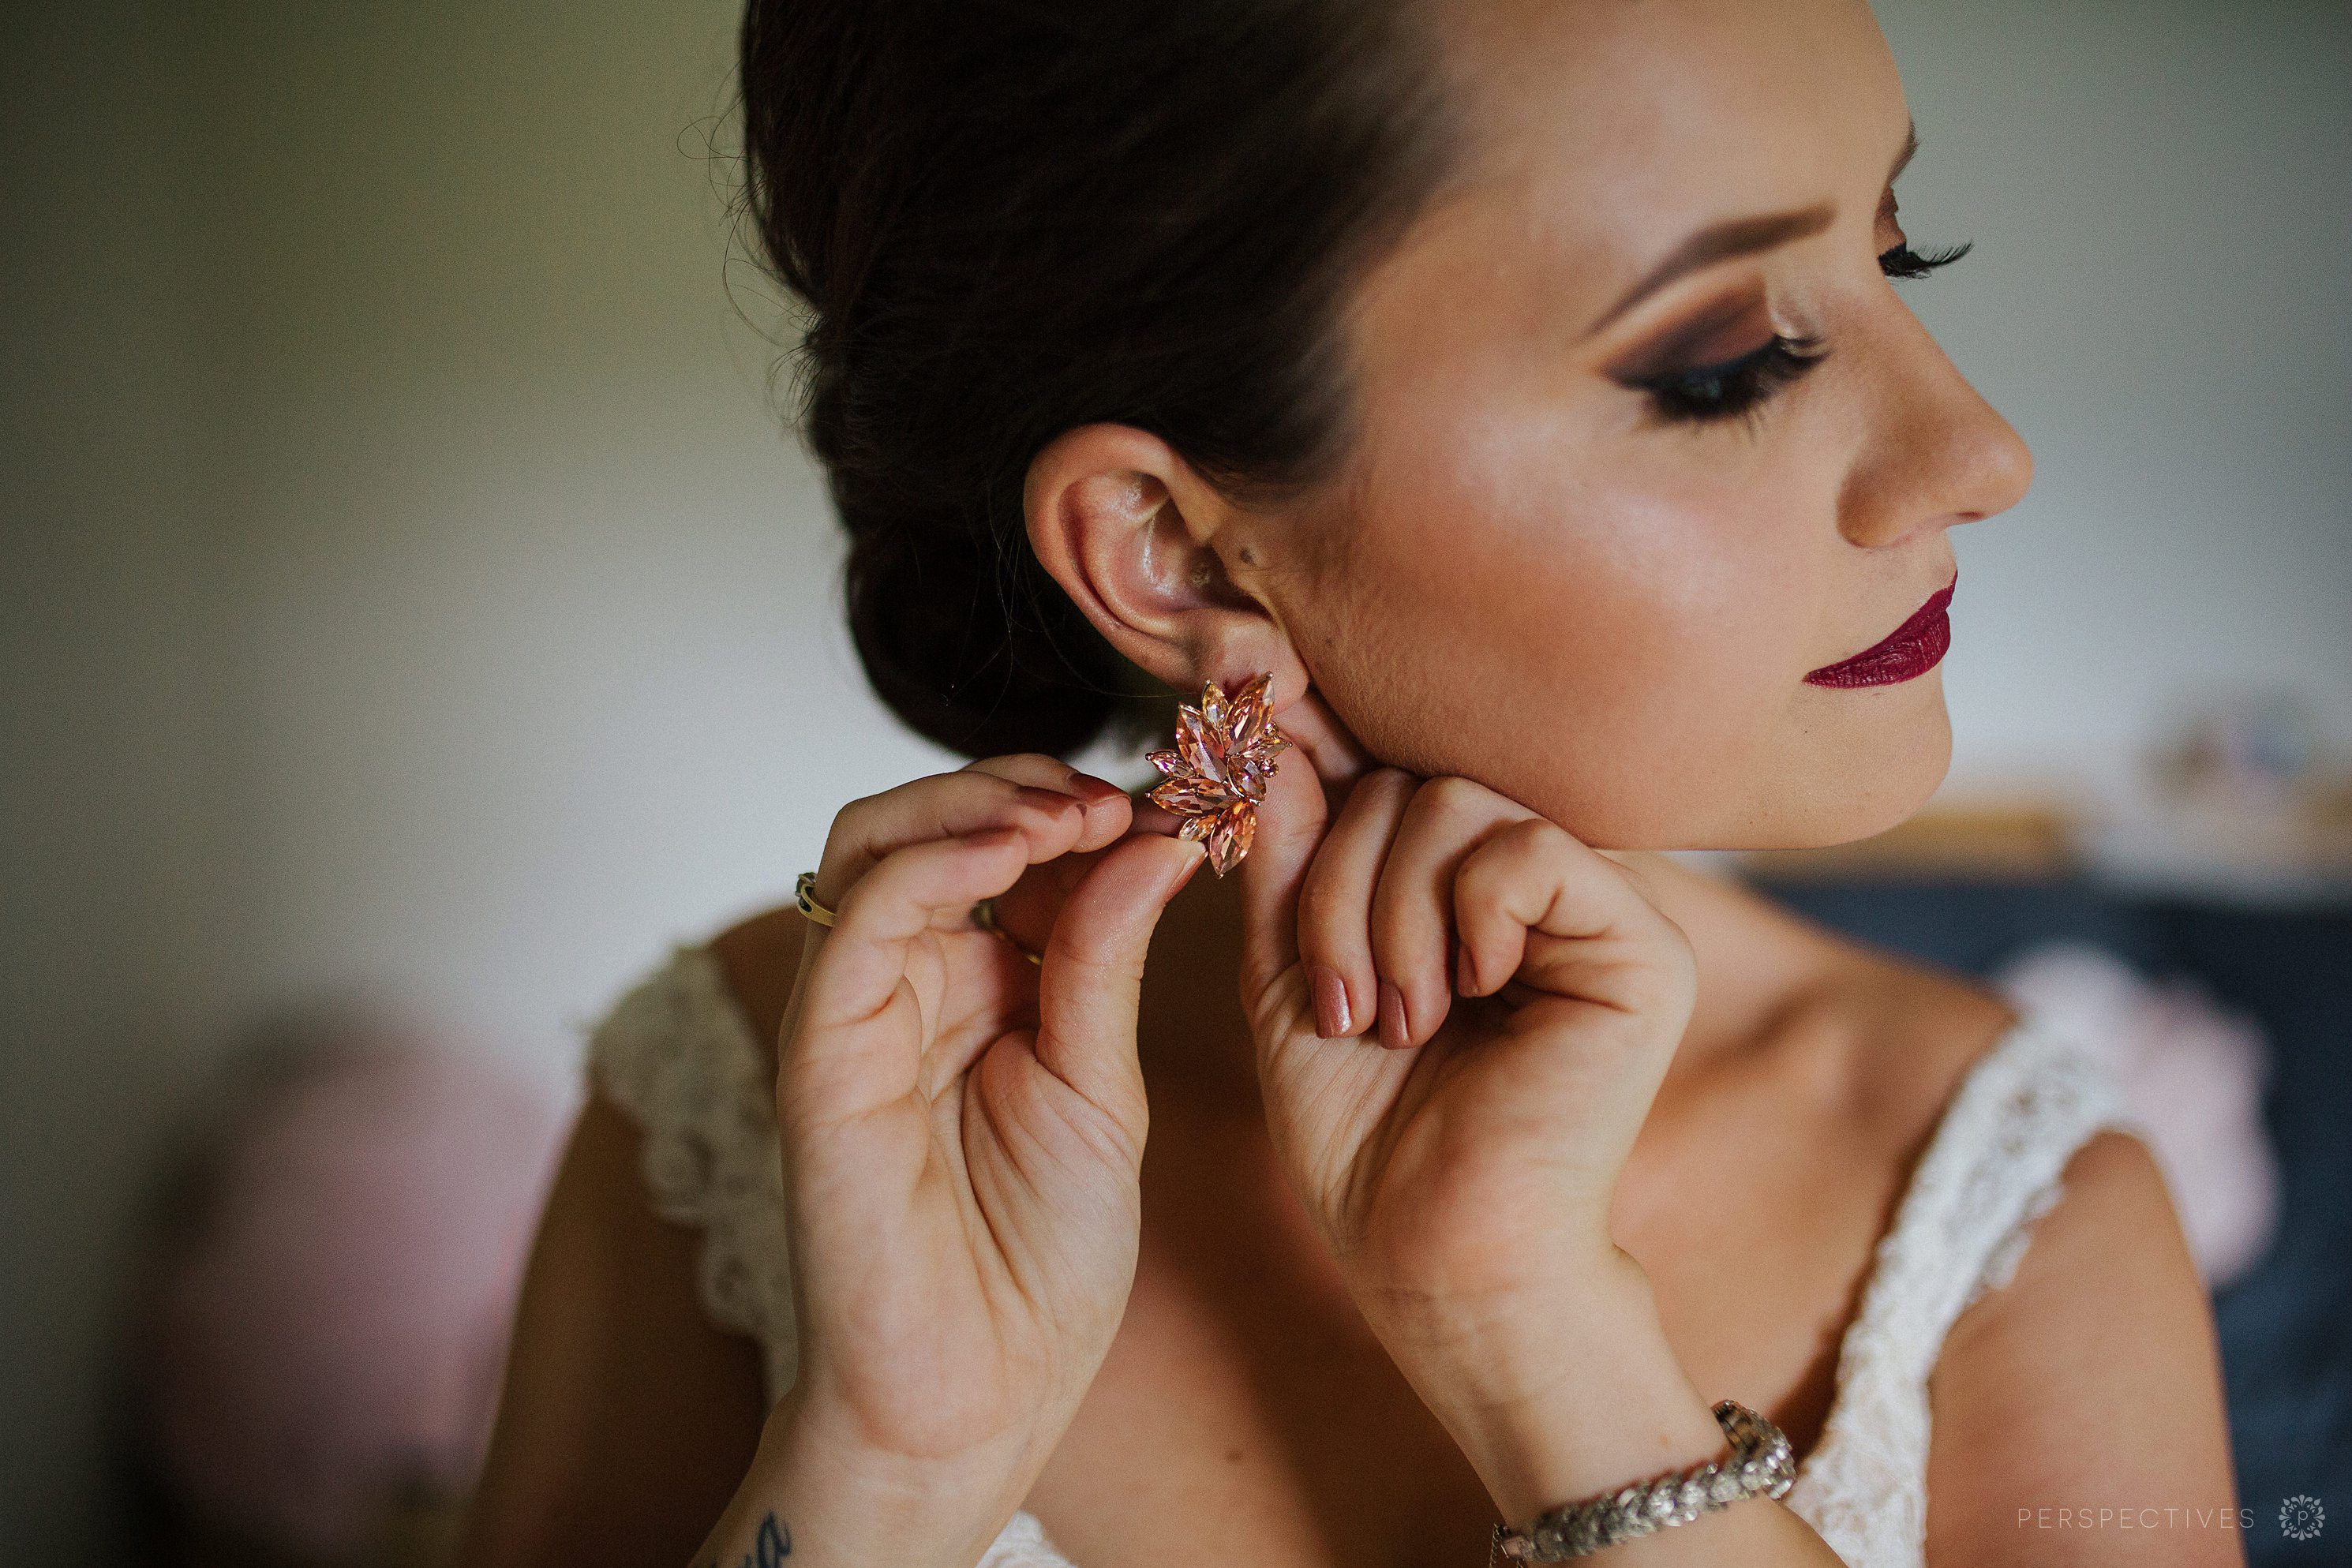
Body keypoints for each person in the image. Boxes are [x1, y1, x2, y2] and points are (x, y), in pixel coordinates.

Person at [456, 2, 2245, 1564]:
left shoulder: (2011, 1198)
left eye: (1895, 248)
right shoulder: (745, 1112)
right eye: (1726, 368)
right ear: (1170, 550)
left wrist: (1540, 1343)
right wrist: (877, 1473)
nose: (1977, 451)